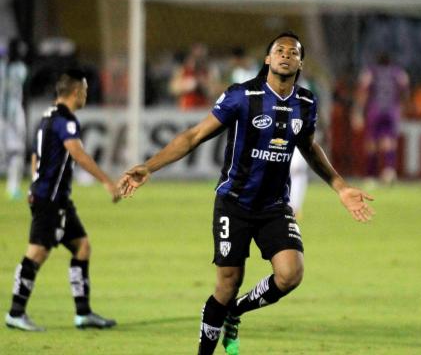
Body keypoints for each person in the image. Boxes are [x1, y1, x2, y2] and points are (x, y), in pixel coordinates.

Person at [118, 31, 374, 355]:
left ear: (300, 62)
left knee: (290, 274)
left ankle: (236, 313)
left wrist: (340, 186)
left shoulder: (306, 102)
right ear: (267, 59)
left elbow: (308, 147)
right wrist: (149, 166)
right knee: (227, 284)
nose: (285, 55)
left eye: (292, 52)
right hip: (234, 203)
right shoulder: (242, 95)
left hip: (274, 205)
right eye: (278, 50)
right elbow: (194, 135)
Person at [5, 69, 121, 332]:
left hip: (53, 198)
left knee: (82, 246)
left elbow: (36, 156)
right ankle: (15, 312)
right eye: (86, 90)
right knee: (37, 252)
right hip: (50, 199)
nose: (87, 95)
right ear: (77, 91)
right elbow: (77, 153)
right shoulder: (66, 120)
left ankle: (83, 314)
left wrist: (34, 182)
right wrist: (106, 181)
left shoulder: (46, 117)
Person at [351, 53, 409, 185]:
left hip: (375, 110)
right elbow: (405, 86)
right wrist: (403, 107)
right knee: (389, 141)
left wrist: (358, 111)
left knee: (371, 143)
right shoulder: (397, 72)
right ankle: (389, 171)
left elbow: (363, 91)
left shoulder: (371, 71)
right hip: (392, 111)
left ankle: (371, 175)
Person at [0, 38, 28, 200]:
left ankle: (13, 187)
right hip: (13, 114)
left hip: (6, 114)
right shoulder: (20, 69)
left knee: (13, 152)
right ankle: (12, 187)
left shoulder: (3, 68)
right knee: (16, 152)